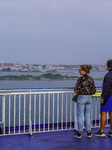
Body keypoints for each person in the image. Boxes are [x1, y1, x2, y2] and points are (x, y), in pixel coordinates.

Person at [74, 64, 96, 138]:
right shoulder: (91, 79)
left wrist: (79, 91)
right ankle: (89, 132)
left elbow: (76, 89)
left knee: (80, 116)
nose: (79, 71)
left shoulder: (80, 79)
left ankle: (79, 133)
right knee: (88, 115)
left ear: (83, 71)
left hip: (82, 98)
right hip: (89, 98)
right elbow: (94, 90)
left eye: (80, 70)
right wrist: (88, 93)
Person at [94, 59, 112, 137]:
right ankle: (111, 131)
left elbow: (106, 87)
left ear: (107, 66)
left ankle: (101, 131)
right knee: (111, 113)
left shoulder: (108, 75)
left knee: (103, 113)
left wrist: (103, 97)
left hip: (108, 96)